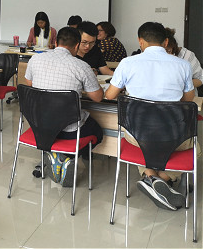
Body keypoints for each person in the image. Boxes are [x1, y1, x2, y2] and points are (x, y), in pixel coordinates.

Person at [105, 22, 196, 212]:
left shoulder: (127, 63)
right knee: (195, 147)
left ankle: (150, 178)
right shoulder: (183, 65)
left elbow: (110, 95)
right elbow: (188, 100)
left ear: (140, 41)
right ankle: (164, 178)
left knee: (144, 141)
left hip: (136, 135)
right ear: (166, 42)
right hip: (173, 135)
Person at [25, 26, 104, 185]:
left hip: (40, 127)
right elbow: (98, 97)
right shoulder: (81, 66)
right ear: (77, 45)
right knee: (98, 132)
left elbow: (29, 85)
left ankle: (55, 155)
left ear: (55, 42)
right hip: (69, 132)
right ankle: (66, 157)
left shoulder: (35, 59)